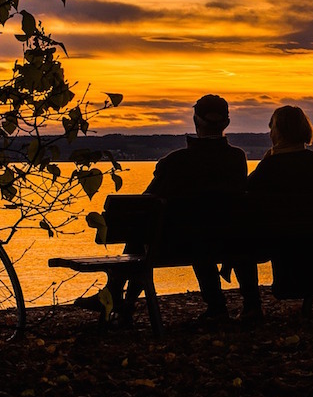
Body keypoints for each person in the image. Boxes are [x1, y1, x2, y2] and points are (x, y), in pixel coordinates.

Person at [76, 94, 259, 321]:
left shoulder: (177, 161)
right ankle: (237, 306)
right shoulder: (237, 159)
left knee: (144, 229)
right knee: (194, 232)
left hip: (179, 244)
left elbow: (146, 202)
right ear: (227, 123)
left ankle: (119, 297)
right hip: (230, 241)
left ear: (196, 120)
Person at [247, 106, 313, 309]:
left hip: (281, 240)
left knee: (240, 242)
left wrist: (266, 160)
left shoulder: (271, 166)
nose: (270, 132)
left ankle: (251, 306)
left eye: (271, 127)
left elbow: (246, 193)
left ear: (278, 131)